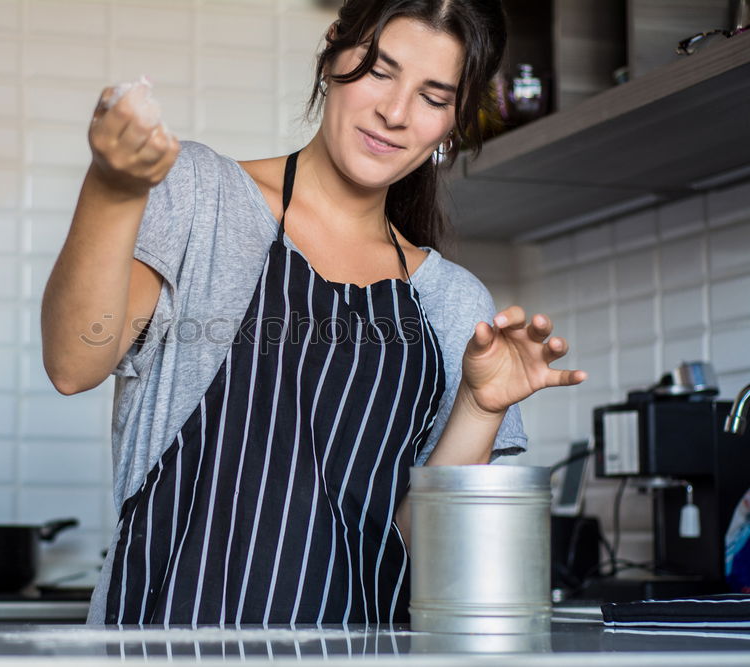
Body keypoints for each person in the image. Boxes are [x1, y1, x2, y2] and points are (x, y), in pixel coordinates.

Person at [41, 0, 586, 626]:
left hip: (363, 654)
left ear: (455, 122)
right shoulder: (201, 196)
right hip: (163, 646)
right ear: (332, 54)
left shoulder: (454, 302)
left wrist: (479, 407)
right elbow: (72, 363)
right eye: (379, 71)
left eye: (434, 97)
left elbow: (419, 554)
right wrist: (112, 188)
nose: (395, 112)